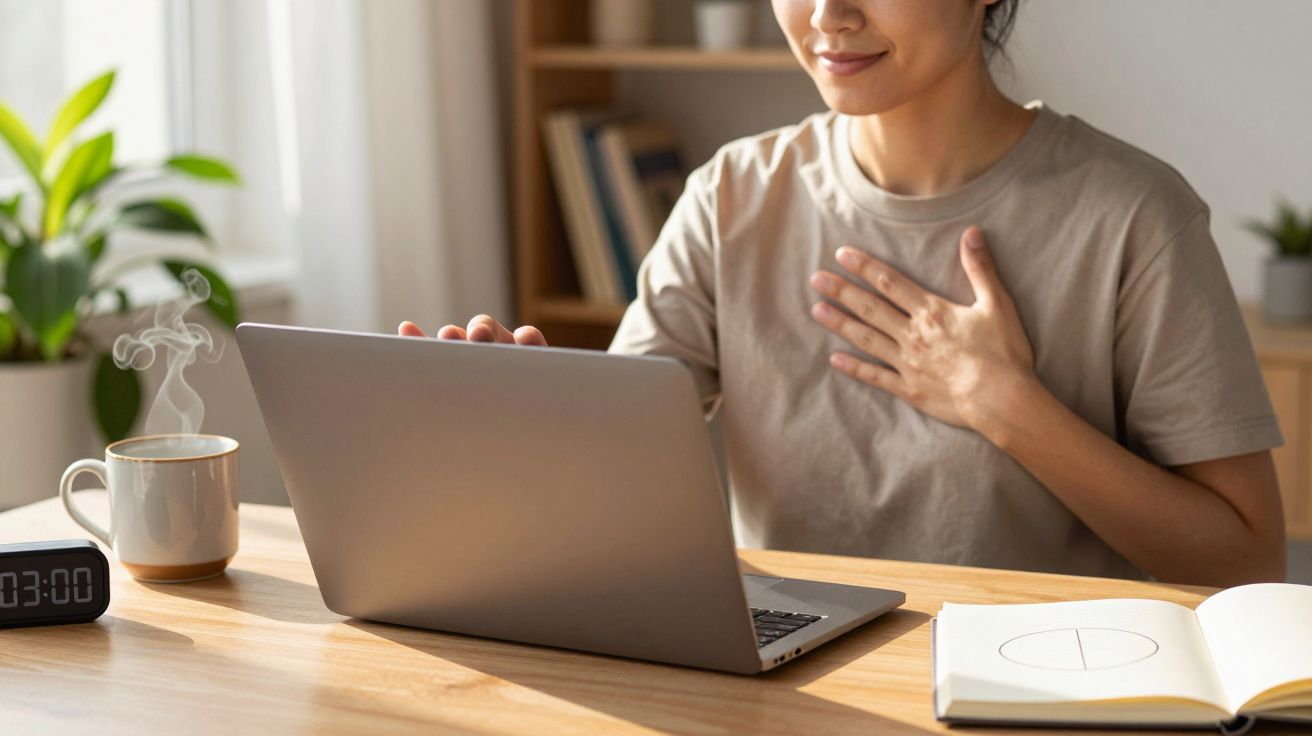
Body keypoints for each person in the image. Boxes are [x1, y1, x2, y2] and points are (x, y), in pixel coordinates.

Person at [400, 0, 1286, 586]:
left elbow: (1246, 563)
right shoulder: (731, 197)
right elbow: (611, 455)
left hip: (1042, 688)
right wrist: (521, 405)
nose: (828, 16)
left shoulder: (1135, 216)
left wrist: (1009, 407)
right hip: (789, 685)